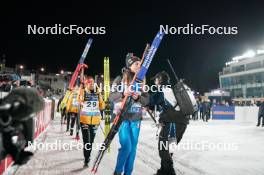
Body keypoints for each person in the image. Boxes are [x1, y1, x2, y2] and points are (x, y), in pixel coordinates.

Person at [109, 53, 149, 175]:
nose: (139, 66)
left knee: (132, 151)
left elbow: (147, 99)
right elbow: (111, 96)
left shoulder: (141, 80)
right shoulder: (120, 79)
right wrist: (122, 94)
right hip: (123, 118)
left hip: (136, 119)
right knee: (127, 147)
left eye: (140, 64)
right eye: (136, 64)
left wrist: (138, 97)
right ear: (130, 65)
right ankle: (117, 172)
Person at [147, 71, 188, 175]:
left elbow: (149, 101)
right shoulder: (173, 90)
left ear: (160, 80)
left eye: (156, 80)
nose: (155, 82)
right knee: (168, 148)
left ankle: (170, 172)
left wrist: (139, 97)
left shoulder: (163, 91)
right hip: (181, 123)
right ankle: (163, 171)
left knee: (163, 148)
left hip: (172, 123)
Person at [79, 76, 105, 167]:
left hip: (95, 121)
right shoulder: (83, 91)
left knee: (91, 141)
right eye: (88, 82)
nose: (90, 84)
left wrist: (100, 96)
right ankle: (86, 159)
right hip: (85, 120)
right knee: (87, 140)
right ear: (86, 83)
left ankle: (88, 156)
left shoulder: (98, 93)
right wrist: (82, 90)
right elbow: (80, 100)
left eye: (92, 82)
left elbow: (102, 106)